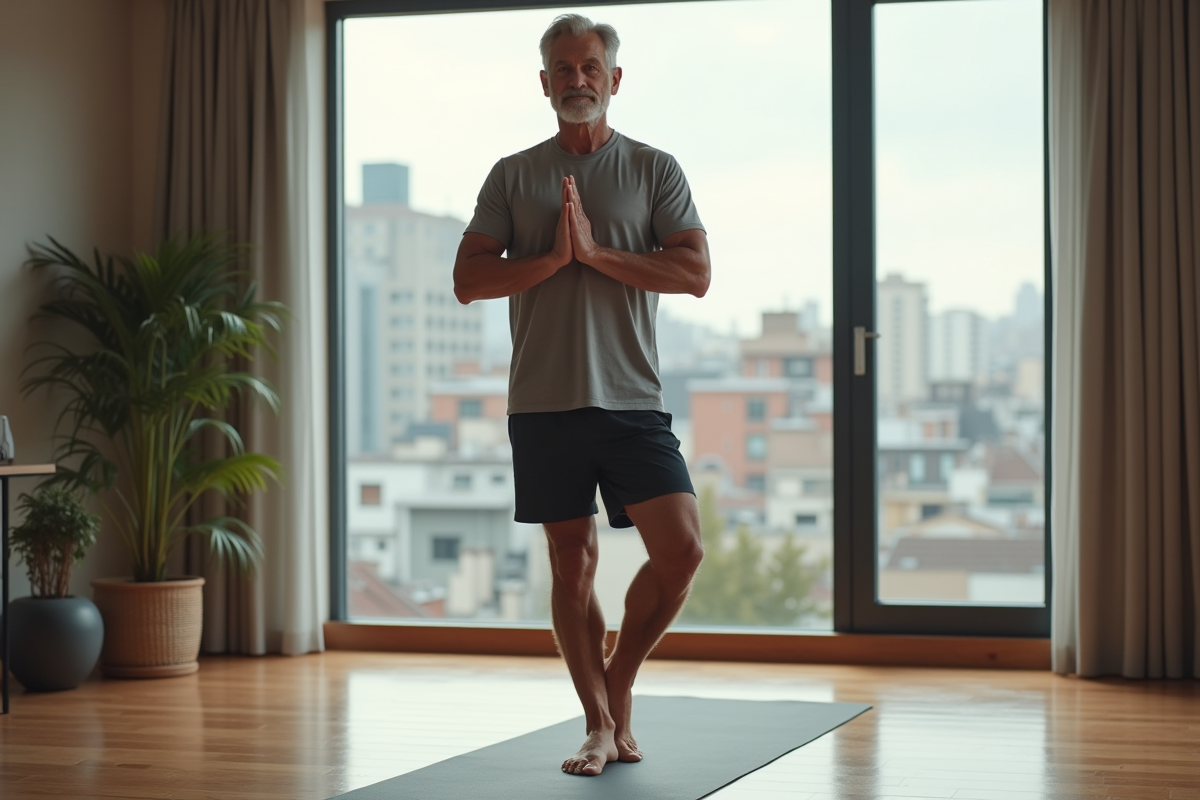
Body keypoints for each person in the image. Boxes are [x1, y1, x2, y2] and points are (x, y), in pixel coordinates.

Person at [452, 13, 711, 777]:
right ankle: (598, 723)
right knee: (572, 563)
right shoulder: (513, 174)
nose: (577, 80)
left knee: (682, 548)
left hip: (633, 399)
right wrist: (552, 258)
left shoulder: (654, 169)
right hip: (542, 400)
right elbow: (469, 280)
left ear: (614, 78)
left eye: (590, 67)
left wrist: (596, 253)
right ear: (544, 83)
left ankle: (619, 679)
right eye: (563, 69)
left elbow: (694, 273)